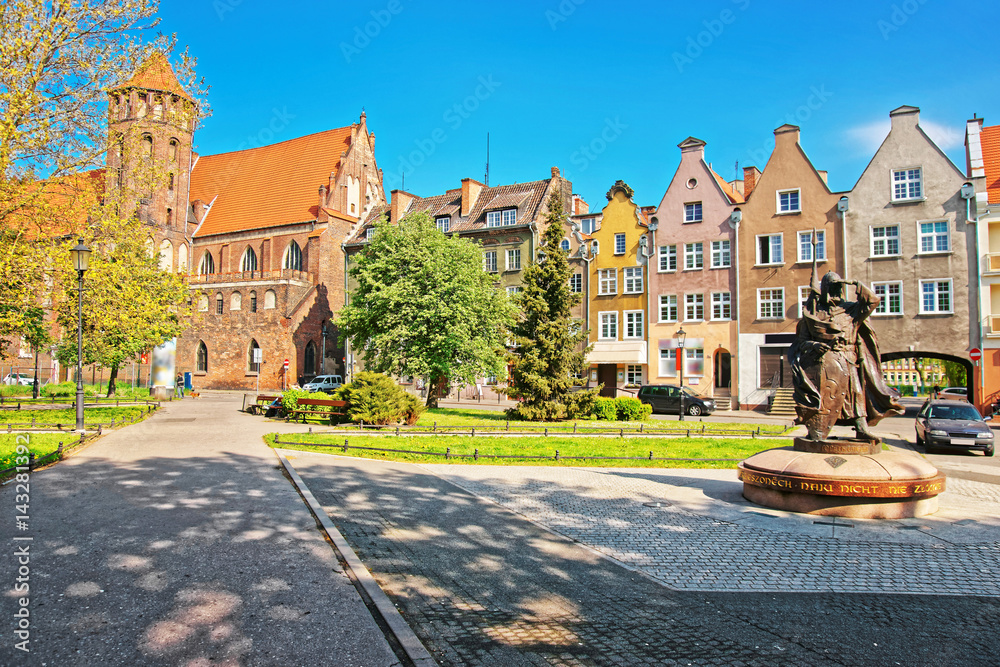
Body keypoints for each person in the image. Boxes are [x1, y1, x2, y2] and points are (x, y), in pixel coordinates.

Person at [789, 243, 903, 441]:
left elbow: (873, 301)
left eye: (838, 287)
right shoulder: (813, 313)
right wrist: (815, 345)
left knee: (856, 394)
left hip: (849, 360)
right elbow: (802, 342)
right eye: (831, 287)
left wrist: (854, 282)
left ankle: (861, 427)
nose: (834, 291)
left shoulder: (851, 310)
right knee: (825, 398)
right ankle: (818, 430)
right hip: (824, 364)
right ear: (824, 289)